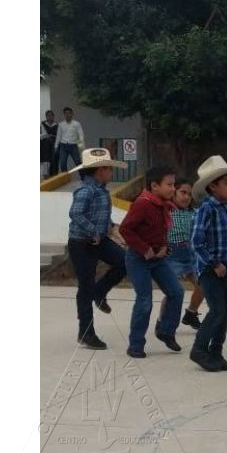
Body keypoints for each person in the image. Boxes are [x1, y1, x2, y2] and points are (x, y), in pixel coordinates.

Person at [189, 155, 227, 372]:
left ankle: (216, 351)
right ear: (213, 187)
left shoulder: (224, 209)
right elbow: (197, 241)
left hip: (225, 268)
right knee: (217, 310)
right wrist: (214, 264)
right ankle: (199, 349)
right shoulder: (207, 208)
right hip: (210, 269)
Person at [66, 148, 128, 349]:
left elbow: (100, 216)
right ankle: (86, 332)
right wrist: (93, 231)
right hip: (82, 244)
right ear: (99, 170)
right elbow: (75, 213)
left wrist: (112, 229)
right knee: (85, 286)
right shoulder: (86, 190)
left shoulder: (102, 190)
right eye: (109, 169)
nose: (111, 172)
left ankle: (99, 292)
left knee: (125, 261)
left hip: (99, 240)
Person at [119, 166, 184, 358]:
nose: (173, 189)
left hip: (158, 258)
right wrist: (145, 249)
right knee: (145, 299)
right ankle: (136, 344)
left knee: (177, 292)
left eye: (174, 185)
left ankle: (166, 331)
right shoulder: (143, 204)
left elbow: (159, 230)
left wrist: (165, 247)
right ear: (154, 186)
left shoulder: (162, 204)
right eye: (169, 185)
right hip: (138, 259)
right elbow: (125, 230)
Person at [155, 177, 204, 332]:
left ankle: (191, 313)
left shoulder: (194, 213)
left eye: (189, 194)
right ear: (174, 192)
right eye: (183, 193)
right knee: (172, 291)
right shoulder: (166, 211)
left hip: (189, 255)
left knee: (203, 285)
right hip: (171, 255)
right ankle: (161, 321)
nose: (186, 197)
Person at [56, 107, 85, 174]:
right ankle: (64, 178)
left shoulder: (76, 124)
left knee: (78, 162)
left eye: (69, 113)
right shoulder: (61, 124)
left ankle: (83, 178)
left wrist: (81, 145)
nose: (67, 115)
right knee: (62, 163)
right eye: (66, 113)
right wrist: (56, 146)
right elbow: (59, 136)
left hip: (73, 145)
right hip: (63, 145)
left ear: (72, 114)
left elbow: (81, 135)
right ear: (64, 114)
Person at [41, 110, 59, 177]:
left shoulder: (57, 125)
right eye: (48, 116)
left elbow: (58, 136)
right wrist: (46, 135)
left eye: (51, 115)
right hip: (44, 146)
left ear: (53, 116)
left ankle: (53, 175)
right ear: (46, 116)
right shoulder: (42, 124)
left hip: (53, 145)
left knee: (54, 160)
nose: (50, 117)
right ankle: (45, 175)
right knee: (45, 160)